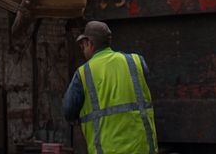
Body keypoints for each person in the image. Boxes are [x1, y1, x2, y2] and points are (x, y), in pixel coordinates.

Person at [63, 21, 157, 154]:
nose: (82, 49)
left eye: (83, 45)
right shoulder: (136, 62)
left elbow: (68, 111)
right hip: (143, 148)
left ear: (90, 43)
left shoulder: (84, 73)